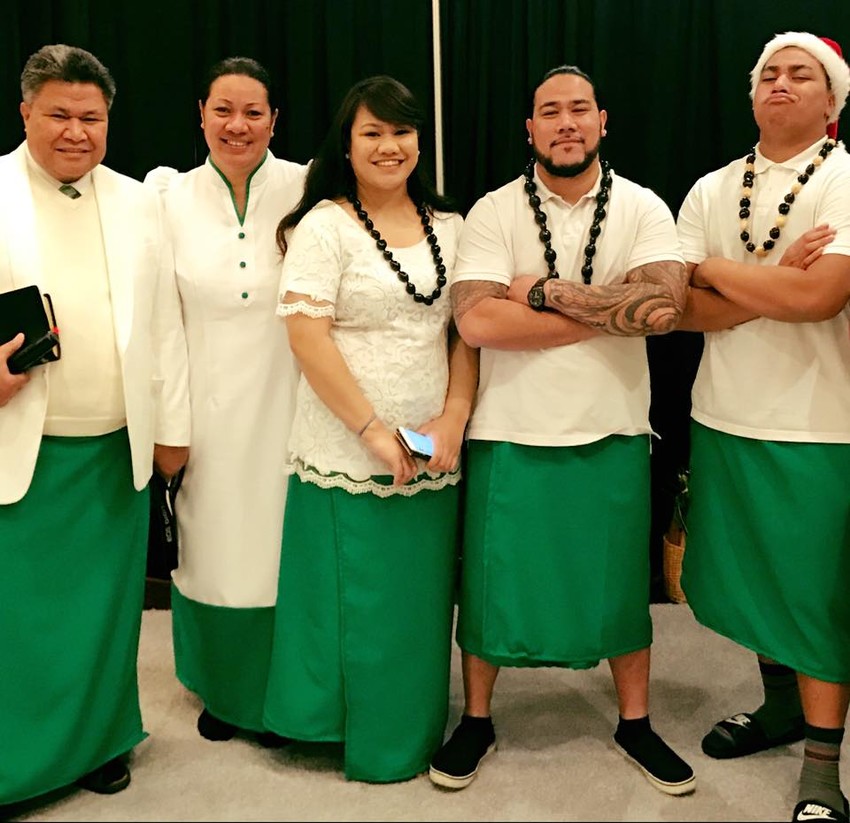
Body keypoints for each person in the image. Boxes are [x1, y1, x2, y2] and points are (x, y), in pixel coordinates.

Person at [428, 64, 695, 796]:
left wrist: (542, 295)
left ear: (603, 121)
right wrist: (607, 310)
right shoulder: (494, 210)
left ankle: (635, 721)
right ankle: (477, 719)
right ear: (530, 128)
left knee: (617, 589)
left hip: (611, 425)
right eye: (551, 111)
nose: (566, 122)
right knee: (489, 587)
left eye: (580, 109)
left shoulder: (642, 207)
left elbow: (664, 310)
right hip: (509, 430)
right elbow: (478, 319)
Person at [262, 75, 477, 783]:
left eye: (402, 131)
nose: (390, 146)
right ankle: (352, 733)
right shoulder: (325, 225)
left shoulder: (453, 228)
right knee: (355, 599)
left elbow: (465, 334)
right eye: (372, 133)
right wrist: (371, 430)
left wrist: (454, 416)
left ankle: (409, 730)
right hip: (346, 442)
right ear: (346, 146)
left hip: (432, 446)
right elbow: (307, 339)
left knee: (415, 604)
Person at [0, 44, 189, 808]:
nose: (75, 131)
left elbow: (165, 325)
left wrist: (172, 427)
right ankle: (19, 756)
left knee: (108, 614)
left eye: (91, 117)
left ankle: (103, 740)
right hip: (23, 444)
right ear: (26, 113)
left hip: (116, 443)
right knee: (23, 616)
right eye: (59, 114)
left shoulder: (139, 198)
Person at [675, 31, 850, 823]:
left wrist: (717, 270)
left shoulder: (844, 179)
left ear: (832, 100)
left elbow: (823, 300)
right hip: (724, 411)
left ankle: (823, 763)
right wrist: (777, 278)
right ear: (752, 96)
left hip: (818, 423)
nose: (781, 83)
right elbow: (677, 306)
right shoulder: (713, 187)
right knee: (754, 583)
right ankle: (780, 708)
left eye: (800, 74)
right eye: (769, 74)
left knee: (812, 594)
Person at [144, 56, 307, 746]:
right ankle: (223, 690)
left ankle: (283, 692)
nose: (237, 125)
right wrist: (169, 424)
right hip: (204, 407)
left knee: (280, 549)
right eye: (223, 110)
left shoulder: (309, 186)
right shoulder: (166, 197)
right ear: (202, 115)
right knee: (214, 550)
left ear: (274, 119)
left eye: (252, 112)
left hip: (293, 401)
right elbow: (160, 320)